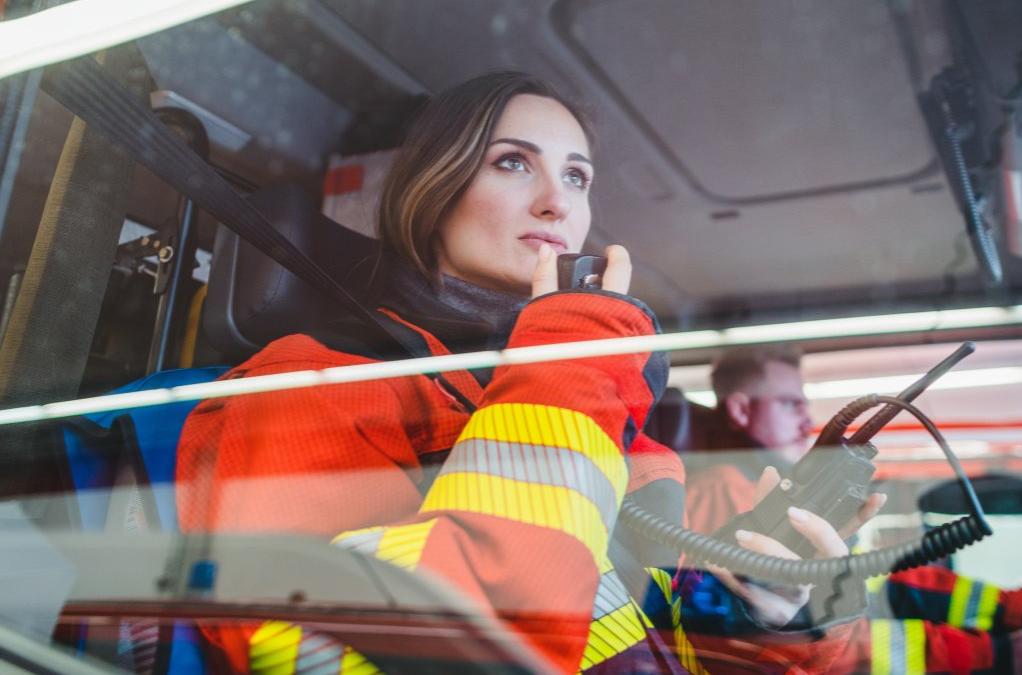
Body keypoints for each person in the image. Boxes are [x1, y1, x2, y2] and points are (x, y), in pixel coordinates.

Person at [175, 72, 877, 674]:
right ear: (435, 186)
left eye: (577, 176)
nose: (558, 202)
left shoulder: (619, 435)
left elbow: (651, 646)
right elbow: (459, 645)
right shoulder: (304, 389)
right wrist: (567, 358)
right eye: (513, 163)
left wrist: (783, 623)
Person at [682, 345, 1022, 675]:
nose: (806, 419)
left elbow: (882, 586)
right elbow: (808, 638)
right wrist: (994, 656)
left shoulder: (792, 494)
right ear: (741, 410)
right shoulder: (725, 494)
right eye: (789, 404)